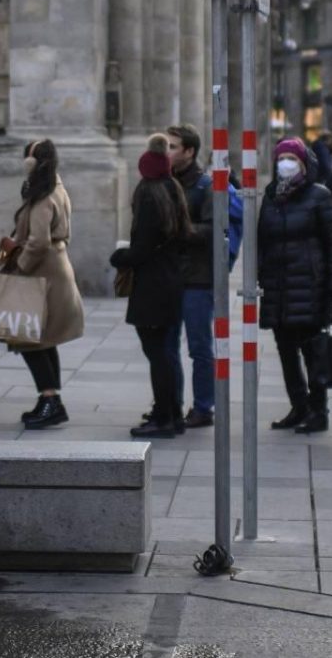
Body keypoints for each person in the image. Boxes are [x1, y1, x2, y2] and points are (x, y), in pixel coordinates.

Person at [259, 137, 332, 435]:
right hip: (279, 285)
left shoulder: (319, 195)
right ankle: (299, 406)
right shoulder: (272, 195)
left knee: (313, 351)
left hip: (310, 285)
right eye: (281, 158)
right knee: (285, 350)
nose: (286, 164)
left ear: (303, 163)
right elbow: (262, 240)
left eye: (292, 159)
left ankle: (319, 411)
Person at [112, 135, 190, 439]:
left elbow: (142, 247)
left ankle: (165, 417)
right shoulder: (173, 188)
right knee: (165, 353)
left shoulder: (148, 193)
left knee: (157, 354)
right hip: (171, 281)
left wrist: (120, 257)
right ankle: (171, 413)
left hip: (152, 286)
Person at [5, 139, 85, 430]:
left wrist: (19, 264)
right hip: (53, 269)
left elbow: (38, 241)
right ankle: (50, 399)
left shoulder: (43, 195)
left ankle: (50, 400)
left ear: (32, 162)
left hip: (42, 273)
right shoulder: (55, 188)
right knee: (43, 338)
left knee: (30, 339)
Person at [166, 124, 216, 428]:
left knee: (199, 346)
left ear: (189, 151)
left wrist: (182, 230)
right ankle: (171, 405)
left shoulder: (205, 186)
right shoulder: (163, 183)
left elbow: (214, 229)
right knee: (167, 347)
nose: (168, 151)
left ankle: (203, 408)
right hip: (168, 276)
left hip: (197, 278)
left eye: (174, 146)